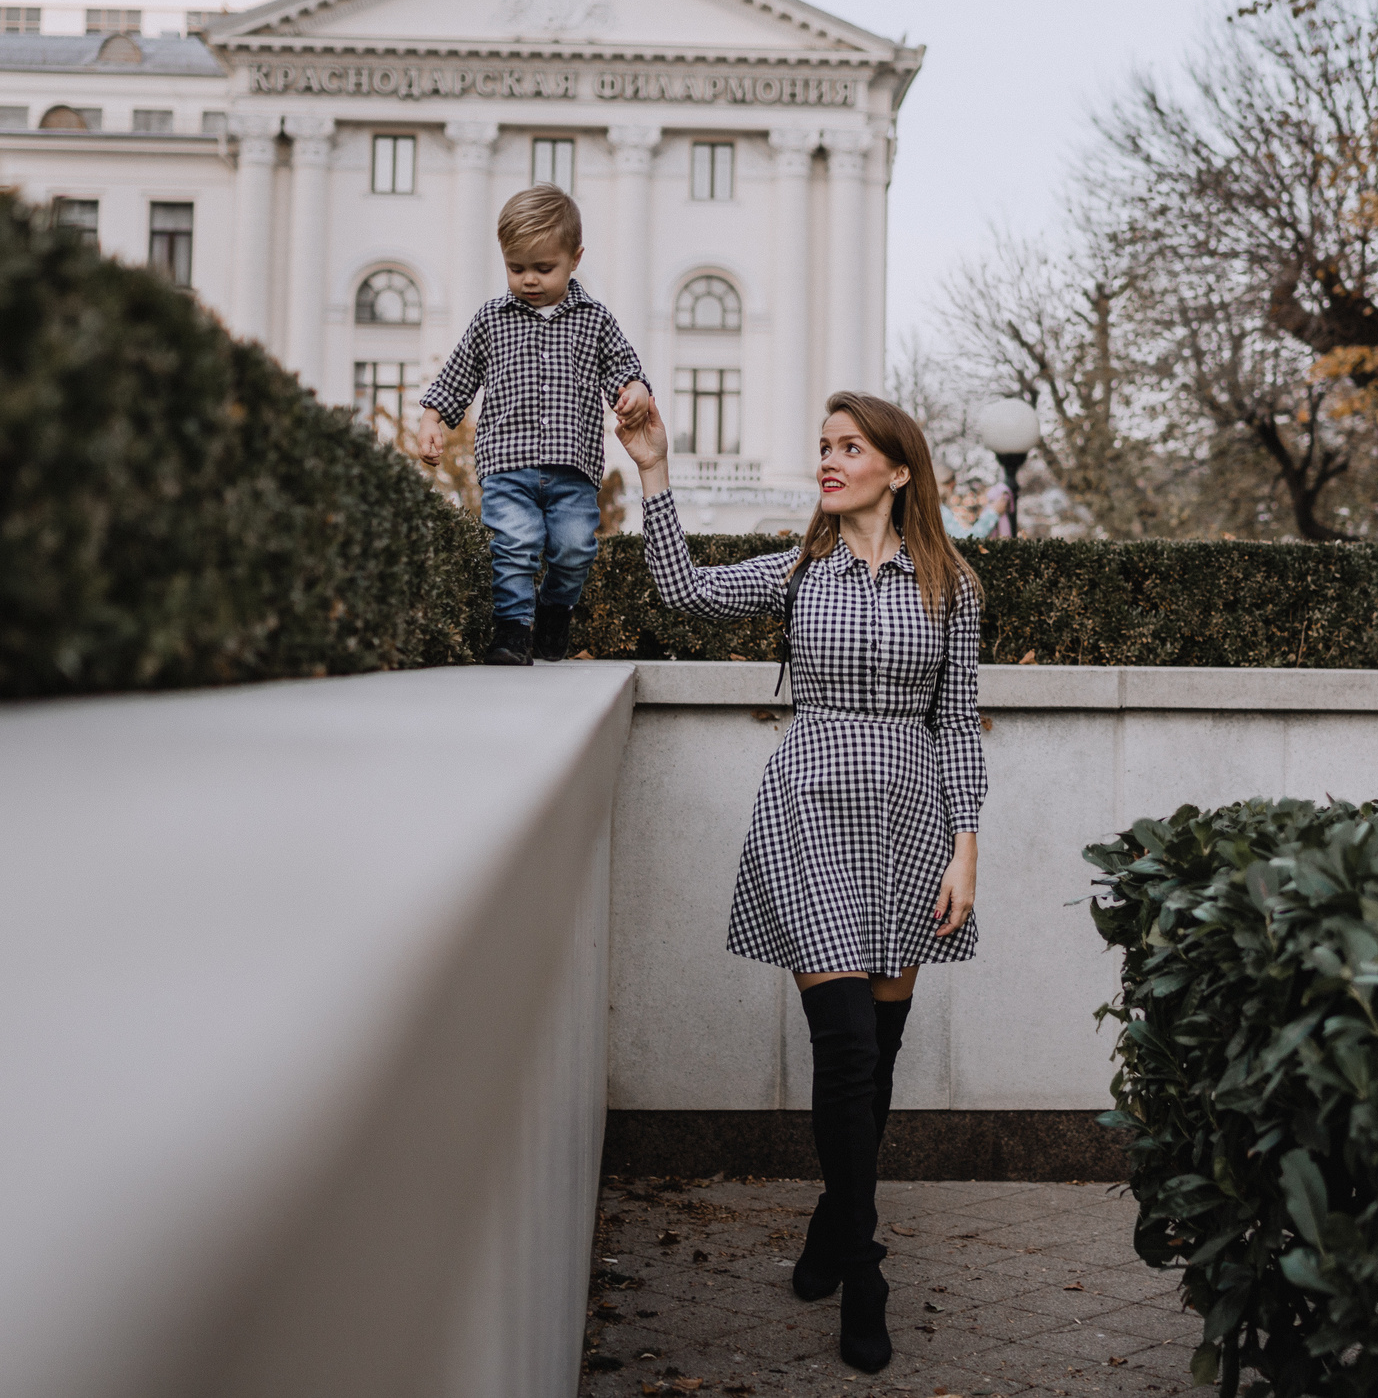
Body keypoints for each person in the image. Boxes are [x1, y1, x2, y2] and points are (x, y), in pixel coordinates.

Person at [616, 388, 984, 1375]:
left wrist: (966, 848)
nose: (828, 459)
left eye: (849, 447)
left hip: (909, 826)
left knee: (880, 1057)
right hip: (809, 814)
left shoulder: (951, 586)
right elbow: (684, 593)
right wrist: (655, 470)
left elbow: (957, 723)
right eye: (823, 445)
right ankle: (863, 1271)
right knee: (847, 1049)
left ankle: (832, 1223)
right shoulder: (797, 570)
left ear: (897, 470)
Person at [417, 185, 651, 665]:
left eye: (544, 269)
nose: (528, 280)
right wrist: (432, 418)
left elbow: (624, 368)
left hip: (573, 470)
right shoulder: (491, 319)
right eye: (516, 267)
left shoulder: (595, 320)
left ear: (575, 259)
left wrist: (635, 392)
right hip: (507, 466)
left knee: (574, 549)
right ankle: (512, 632)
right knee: (515, 544)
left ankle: (554, 610)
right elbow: (457, 375)